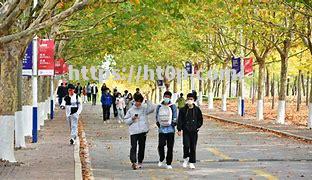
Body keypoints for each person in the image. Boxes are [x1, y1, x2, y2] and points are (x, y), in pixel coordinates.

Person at [124, 93, 155, 170]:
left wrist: (147, 100)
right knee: (133, 147)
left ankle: (140, 162)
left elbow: (152, 109)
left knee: (142, 147)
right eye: (137, 101)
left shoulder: (144, 109)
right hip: (134, 132)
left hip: (143, 131)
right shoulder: (131, 110)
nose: (138, 103)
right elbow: (126, 121)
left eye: (140, 101)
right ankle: (134, 162)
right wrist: (132, 118)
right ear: (134, 101)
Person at [177, 93, 203, 169]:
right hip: (186, 131)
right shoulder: (183, 109)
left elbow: (200, 119)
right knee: (186, 145)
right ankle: (185, 159)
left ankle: (191, 162)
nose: (189, 100)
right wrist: (179, 129)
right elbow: (180, 120)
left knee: (193, 147)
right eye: (188, 99)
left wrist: (197, 126)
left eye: (191, 99)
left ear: (194, 100)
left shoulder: (197, 109)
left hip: (194, 131)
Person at [156, 91, 177, 169]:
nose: (166, 98)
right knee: (161, 145)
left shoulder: (173, 106)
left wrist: (173, 124)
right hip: (161, 130)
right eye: (165, 96)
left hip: (171, 130)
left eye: (168, 97)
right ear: (163, 96)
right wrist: (158, 124)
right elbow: (156, 116)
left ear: (170, 97)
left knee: (170, 147)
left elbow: (175, 117)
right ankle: (161, 157)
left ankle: (169, 163)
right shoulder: (159, 106)